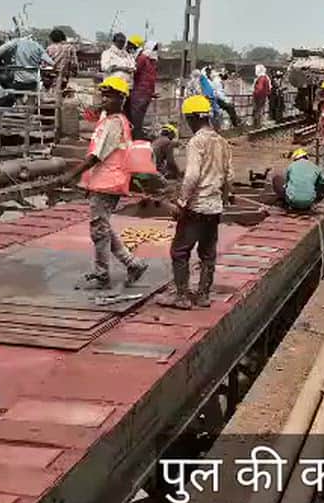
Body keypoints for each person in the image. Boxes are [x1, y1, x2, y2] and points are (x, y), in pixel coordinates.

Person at [64, 76, 149, 290]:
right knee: (103, 226)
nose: (105, 99)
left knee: (99, 229)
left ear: (121, 99)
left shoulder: (113, 123)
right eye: (104, 94)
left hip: (108, 181)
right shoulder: (112, 120)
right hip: (106, 181)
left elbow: (96, 156)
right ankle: (132, 264)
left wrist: (72, 174)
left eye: (110, 95)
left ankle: (103, 274)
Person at [158, 95, 233, 310]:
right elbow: (229, 177)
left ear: (190, 118)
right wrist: (224, 199)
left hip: (197, 207)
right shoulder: (222, 142)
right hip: (214, 207)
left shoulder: (196, 142)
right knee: (208, 252)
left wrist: (181, 202)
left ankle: (181, 296)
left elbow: (191, 176)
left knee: (180, 251)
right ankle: (203, 295)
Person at [0, 33, 52, 98]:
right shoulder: (37, 45)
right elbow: (48, 59)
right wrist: (55, 66)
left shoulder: (18, 42)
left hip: (19, 79)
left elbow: (3, 48)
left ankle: (19, 107)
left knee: (18, 97)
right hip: (32, 79)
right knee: (31, 98)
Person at [273, 147, 324, 212]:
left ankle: (285, 203)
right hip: (309, 201)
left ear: (296, 158)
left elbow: (286, 184)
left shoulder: (291, 166)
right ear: (306, 157)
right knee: (320, 185)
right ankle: (311, 202)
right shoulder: (315, 167)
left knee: (277, 178)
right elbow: (323, 184)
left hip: (292, 201)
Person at [127, 40, 159, 139]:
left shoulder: (152, 61)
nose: (156, 51)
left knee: (140, 118)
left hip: (147, 94)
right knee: (136, 117)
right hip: (139, 93)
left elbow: (150, 79)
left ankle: (137, 135)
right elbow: (135, 72)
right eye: (154, 49)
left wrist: (151, 93)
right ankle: (135, 137)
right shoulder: (143, 58)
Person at [45, 28, 79, 98]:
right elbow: (74, 63)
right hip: (64, 76)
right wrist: (75, 73)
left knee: (51, 94)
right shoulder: (70, 48)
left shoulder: (49, 48)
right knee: (63, 95)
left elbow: (44, 63)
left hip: (51, 76)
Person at [252, 64, 271, 129]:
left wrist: (255, 92)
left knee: (257, 110)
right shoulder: (266, 77)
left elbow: (260, 88)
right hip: (263, 96)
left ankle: (257, 125)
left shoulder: (261, 78)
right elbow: (269, 88)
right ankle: (259, 124)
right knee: (261, 110)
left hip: (258, 96)